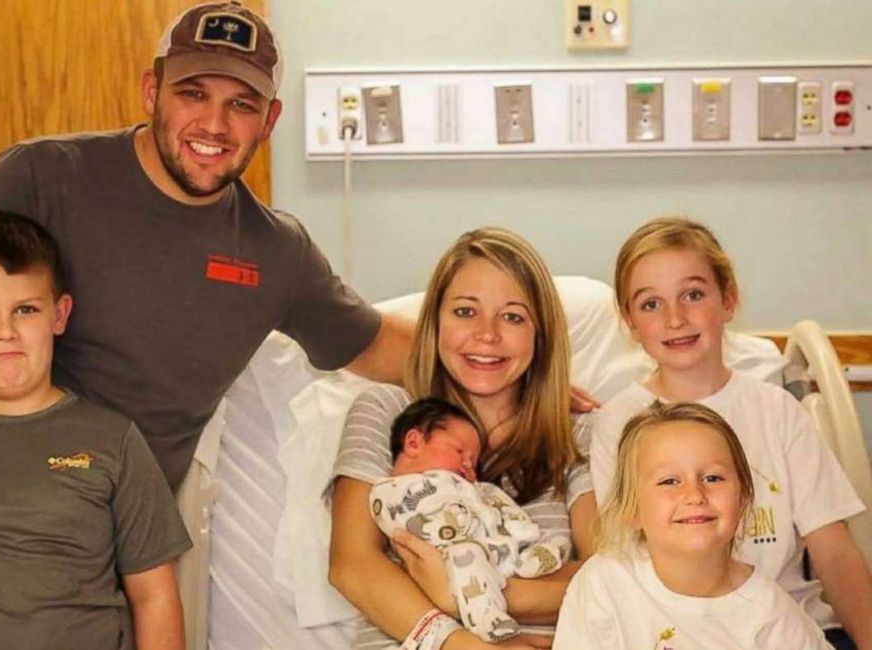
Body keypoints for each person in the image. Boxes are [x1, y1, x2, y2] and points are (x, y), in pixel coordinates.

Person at [0, 1, 413, 584]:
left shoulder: (277, 254)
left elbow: (380, 343)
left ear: (270, 119)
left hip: (111, 554)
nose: (214, 125)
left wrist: (510, 355)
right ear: (150, 90)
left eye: (241, 104)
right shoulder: (44, 178)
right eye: (193, 94)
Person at [0, 211, 192, 650]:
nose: (5, 332)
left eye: (25, 309)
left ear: (59, 314)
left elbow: (155, 596)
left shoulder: (113, 441)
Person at [587, 216, 872, 649]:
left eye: (693, 294)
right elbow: (626, 561)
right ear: (629, 322)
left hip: (795, 629)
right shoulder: (619, 423)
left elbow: (833, 552)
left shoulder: (776, 411)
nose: (675, 317)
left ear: (729, 301)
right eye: (651, 304)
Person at [330, 227, 598, 650]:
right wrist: (466, 639)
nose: (487, 335)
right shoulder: (388, 413)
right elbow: (353, 566)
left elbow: (609, 578)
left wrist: (457, 592)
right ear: (435, 322)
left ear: (540, 335)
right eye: (465, 312)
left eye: (512, 316)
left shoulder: (579, 436)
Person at [554, 401, 832, 649]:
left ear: (743, 498)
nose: (694, 495)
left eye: (713, 478)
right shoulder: (604, 584)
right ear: (632, 509)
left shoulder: (771, 616)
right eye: (669, 481)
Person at [371, 398, 569, 643]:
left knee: (542, 543)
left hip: (493, 548)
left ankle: (533, 557)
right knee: (468, 557)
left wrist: (512, 523)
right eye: (459, 451)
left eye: (474, 462)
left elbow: (498, 505)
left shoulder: (473, 487)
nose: (467, 465)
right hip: (451, 552)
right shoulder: (394, 491)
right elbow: (407, 521)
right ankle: (486, 615)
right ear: (413, 442)